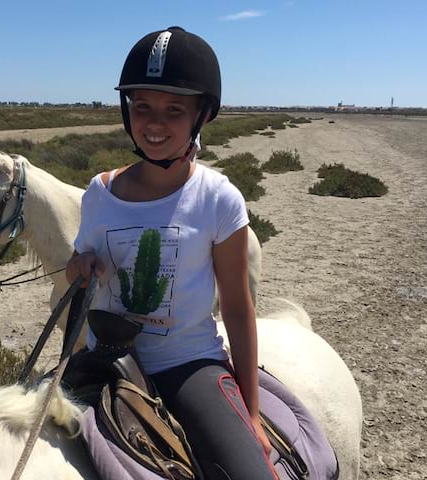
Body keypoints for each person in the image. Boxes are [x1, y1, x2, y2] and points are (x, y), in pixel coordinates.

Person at [66, 26, 276, 480]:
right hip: (106, 360)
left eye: (174, 110)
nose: (154, 123)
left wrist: (252, 415)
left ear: (202, 115)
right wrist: (80, 267)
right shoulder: (99, 194)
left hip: (186, 365)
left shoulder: (218, 198)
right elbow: (74, 270)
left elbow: (238, 309)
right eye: (142, 106)